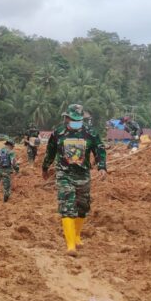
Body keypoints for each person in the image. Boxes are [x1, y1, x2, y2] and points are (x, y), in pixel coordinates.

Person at [42, 104, 107, 257]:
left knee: (82, 207)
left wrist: (102, 167)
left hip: (83, 175)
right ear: (66, 118)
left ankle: (76, 236)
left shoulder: (90, 133)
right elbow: (50, 151)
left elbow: (99, 149)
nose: (74, 121)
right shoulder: (58, 133)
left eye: (77, 119)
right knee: (67, 207)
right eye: (71, 119)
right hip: (64, 174)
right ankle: (70, 245)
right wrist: (45, 167)